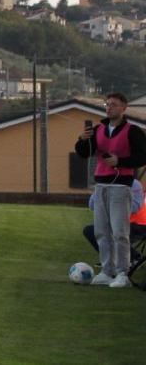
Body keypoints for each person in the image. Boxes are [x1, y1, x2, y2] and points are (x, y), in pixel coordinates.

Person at [75, 92, 146, 288]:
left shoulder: (133, 131)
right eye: (107, 104)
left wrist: (120, 161)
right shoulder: (99, 129)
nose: (109, 107)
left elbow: (142, 156)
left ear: (124, 107)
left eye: (114, 104)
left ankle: (122, 272)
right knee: (101, 231)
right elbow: (84, 152)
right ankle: (107, 271)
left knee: (119, 232)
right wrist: (82, 139)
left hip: (120, 186)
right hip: (101, 185)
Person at [82, 178, 145, 268]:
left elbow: (136, 207)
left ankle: (135, 258)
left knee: (115, 230)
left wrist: (114, 204)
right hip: (116, 222)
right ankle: (109, 260)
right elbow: (92, 205)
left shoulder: (133, 184)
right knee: (90, 230)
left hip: (138, 224)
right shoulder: (103, 183)